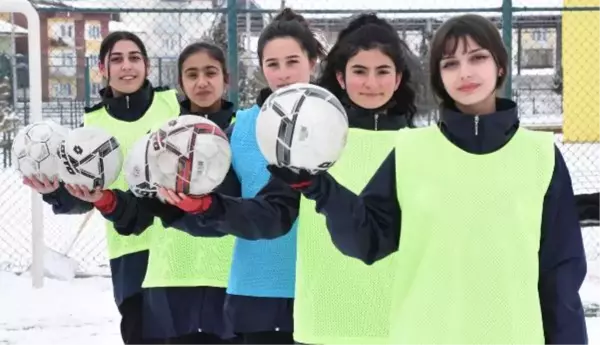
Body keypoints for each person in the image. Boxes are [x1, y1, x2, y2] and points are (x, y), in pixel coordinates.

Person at [265, 14, 588, 344]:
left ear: (500, 67)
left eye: (477, 57)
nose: (465, 72)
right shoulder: (411, 151)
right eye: (450, 63)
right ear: (439, 77)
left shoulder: (540, 155)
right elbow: (367, 241)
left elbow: (560, 275)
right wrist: (320, 187)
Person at [157, 8, 325, 345]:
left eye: (292, 62)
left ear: (313, 62)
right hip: (257, 289)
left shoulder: (336, 125)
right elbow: (222, 208)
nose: (283, 74)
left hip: (324, 288)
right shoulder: (242, 128)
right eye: (272, 64)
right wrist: (178, 205)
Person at [22, 31, 181, 345]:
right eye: (117, 59)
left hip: (183, 243)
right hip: (131, 251)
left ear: (147, 66)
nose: (127, 66)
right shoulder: (90, 127)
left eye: (134, 57)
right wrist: (54, 191)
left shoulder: (174, 105)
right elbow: (82, 198)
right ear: (103, 68)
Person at [90, 42, 238, 345]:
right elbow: (141, 208)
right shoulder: (161, 139)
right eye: (191, 74)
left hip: (231, 279)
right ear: (180, 83)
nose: (202, 82)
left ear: (226, 78)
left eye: (210, 72)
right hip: (172, 279)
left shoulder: (245, 133)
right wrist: (105, 200)